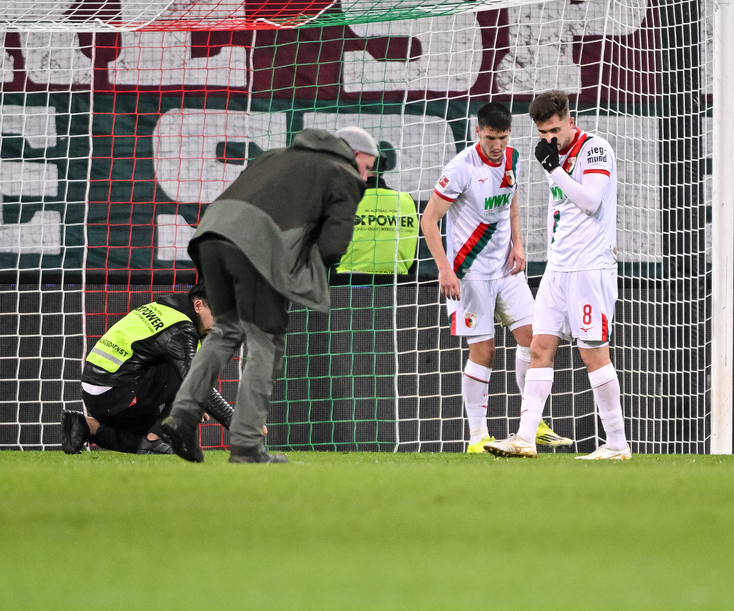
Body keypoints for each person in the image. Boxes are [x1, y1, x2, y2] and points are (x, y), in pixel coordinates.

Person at [161, 127, 367, 464]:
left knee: (226, 330)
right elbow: (333, 247)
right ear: (355, 155)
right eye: (370, 166)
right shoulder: (343, 172)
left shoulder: (275, 155)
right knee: (266, 342)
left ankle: (182, 416)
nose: (368, 174)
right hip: (256, 248)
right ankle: (246, 444)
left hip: (210, 235)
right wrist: (299, 269)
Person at [421, 102, 573, 453]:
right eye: (491, 138)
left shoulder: (513, 158)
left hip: (506, 269)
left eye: (503, 138)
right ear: (478, 132)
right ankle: (477, 437)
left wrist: (518, 243)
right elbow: (429, 220)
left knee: (535, 340)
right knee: (484, 351)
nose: (497, 145)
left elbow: (511, 199)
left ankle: (531, 425)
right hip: (471, 272)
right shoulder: (460, 169)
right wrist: (444, 268)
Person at [485, 90, 629, 460]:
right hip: (558, 267)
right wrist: (556, 165)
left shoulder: (594, 149)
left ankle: (616, 444)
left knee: (592, 353)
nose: (549, 138)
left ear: (569, 120)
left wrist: (555, 170)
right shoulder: (558, 155)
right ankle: (524, 439)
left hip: (589, 267)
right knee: (539, 347)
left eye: (555, 129)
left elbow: (591, 201)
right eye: (542, 133)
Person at [62, 281, 234, 455]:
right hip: (116, 394)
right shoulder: (180, 329)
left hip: (99, 390)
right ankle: (156, 438)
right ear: (198, 305)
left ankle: (85, 427)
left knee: (147, 441)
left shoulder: (165, 309)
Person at [335, 142, 419, 278]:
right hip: (396, 286)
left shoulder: (343, 200)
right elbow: (414, 258)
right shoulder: (406, 201)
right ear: (384, 166)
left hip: (348, 285)